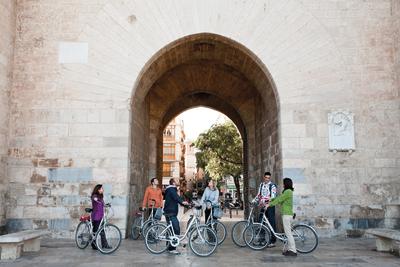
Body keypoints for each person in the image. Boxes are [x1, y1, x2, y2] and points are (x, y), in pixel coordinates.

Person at [268, 177, 297, 256]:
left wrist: (269, 205)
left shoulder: (288, 192)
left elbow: (280, 199)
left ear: (286, 184)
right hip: (287, 214)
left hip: (287, 215)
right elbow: (279, 198)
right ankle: (289, 249)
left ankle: (293, 250)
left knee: (288, 233)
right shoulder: (287, 191)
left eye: (283, 183)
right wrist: (271, 200)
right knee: (287, 233)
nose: (283, 184)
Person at [163, 178, 188, 255]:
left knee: (170, 230)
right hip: (170, 212)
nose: (178, 181)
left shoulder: (171, 189)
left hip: (170, 211)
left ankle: (168, 246)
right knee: (176, 229)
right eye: (177, 180)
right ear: (173, 183)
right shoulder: (171, 189)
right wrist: (182, 202)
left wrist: (184, 204)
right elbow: (176, 197)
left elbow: (176, 199)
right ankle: (172, 248)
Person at [256, 171, 277, 247]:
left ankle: (273, 240)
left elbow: (273, 197)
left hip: (270, 206)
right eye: (266, 177)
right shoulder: (261, 185)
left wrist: (264, 200)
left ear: (270, 178)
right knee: (261, 222)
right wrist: (255, 200)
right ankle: (262, 239)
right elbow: (259, 194)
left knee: (271, 222)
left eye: (268, 178)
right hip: (263, 206)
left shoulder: (272, 185)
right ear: (264, 177)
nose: (267, 179)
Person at [91, 184, 111, 250]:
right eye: (101, 189)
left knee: (101, 231)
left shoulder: (100, 197)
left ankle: (104, 245)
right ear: (98, 189)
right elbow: (94, 199)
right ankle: (94, 244)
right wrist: (97, 200)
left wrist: (106, 205)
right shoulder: (94, 196)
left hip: (101, 217)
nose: (103, 190)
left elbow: (102, 204)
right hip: (96, 216)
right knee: (96, 231)